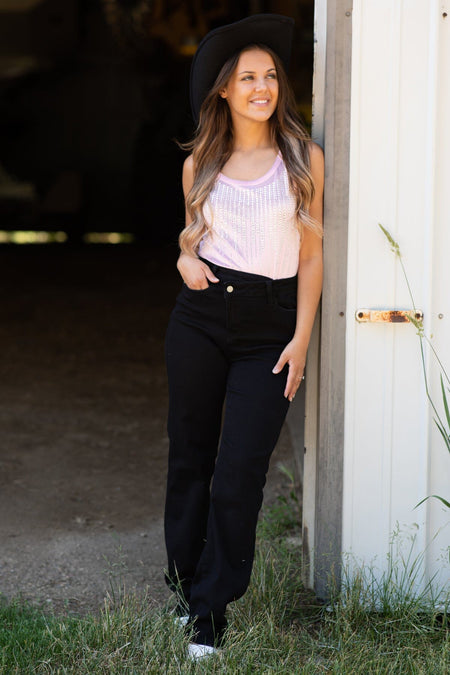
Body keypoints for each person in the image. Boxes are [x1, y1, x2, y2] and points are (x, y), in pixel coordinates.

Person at [163, 13, 324, 660]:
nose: (263, 87)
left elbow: (311, 256)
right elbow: (187, 244)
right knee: (190, 458)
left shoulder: (301, 157)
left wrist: (302, 338)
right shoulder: (200, 159)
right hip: (200, 319)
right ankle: (186, 588)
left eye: (271, 75)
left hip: (271, 328)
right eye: (248, 77)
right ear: (224, 90)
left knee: (239, 473)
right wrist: (182, 261)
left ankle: (213, 606)